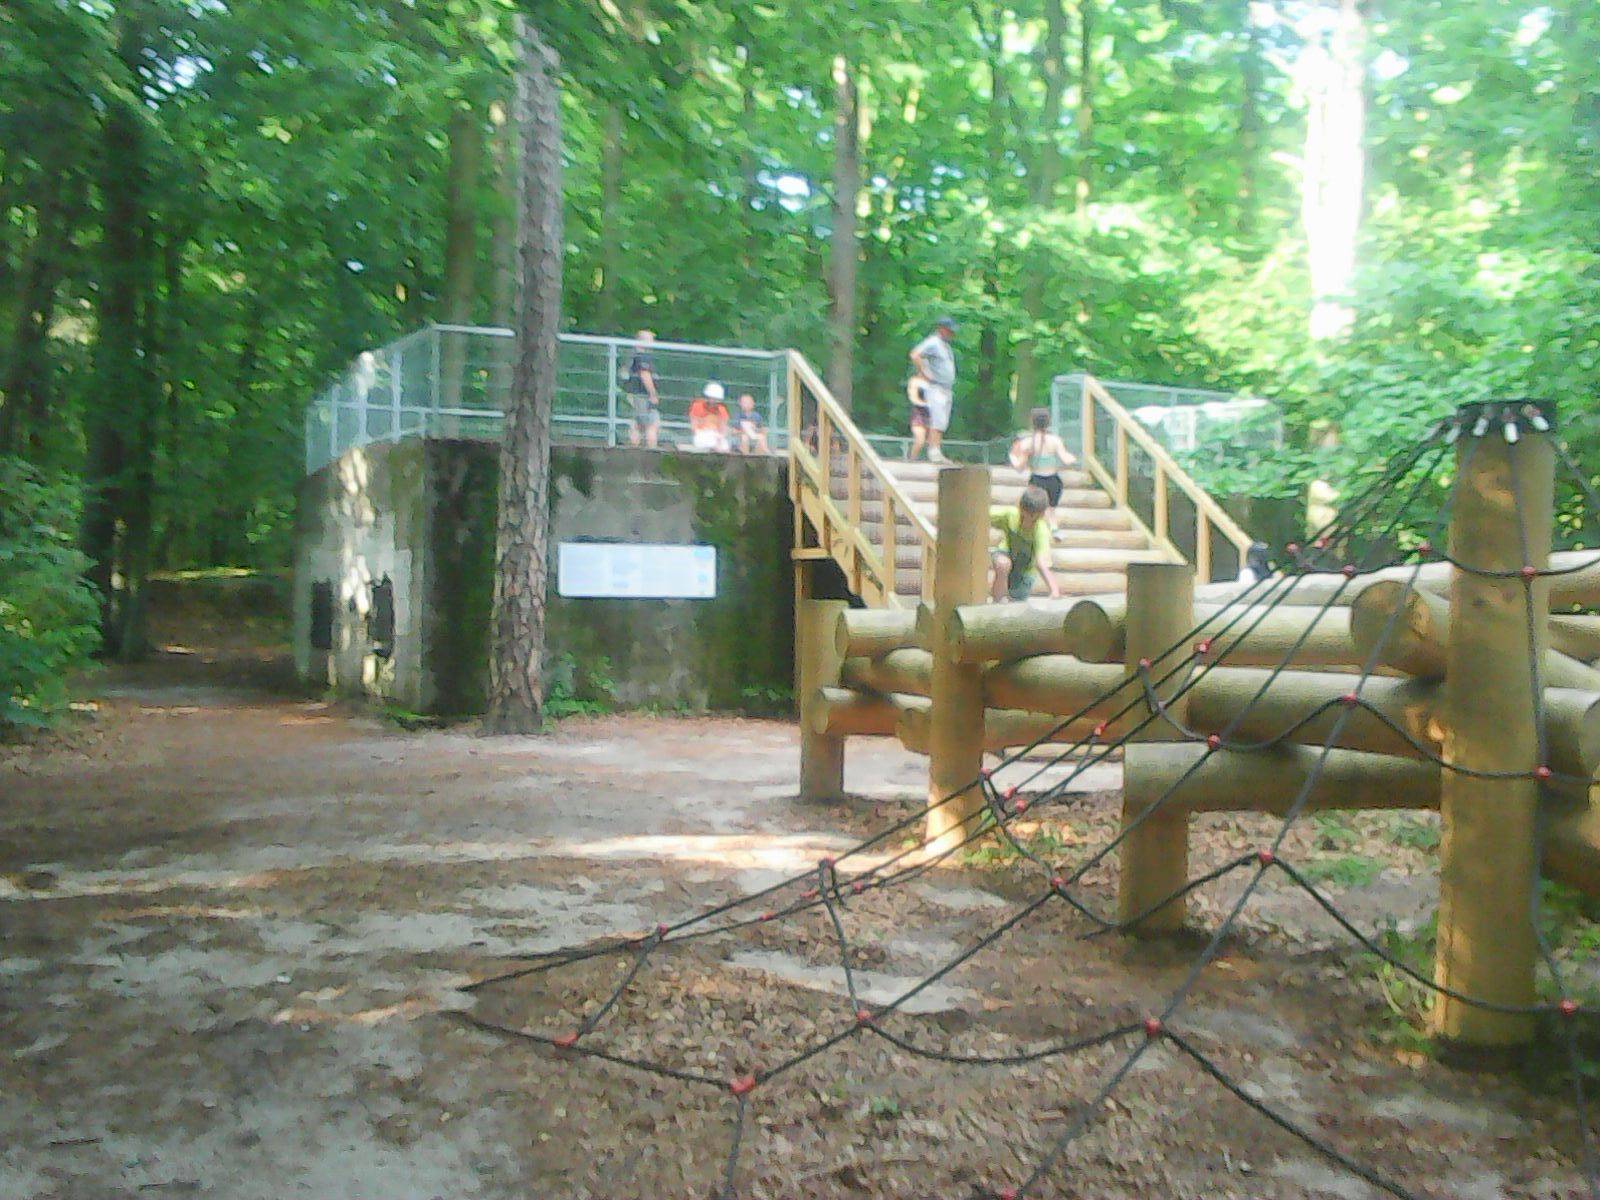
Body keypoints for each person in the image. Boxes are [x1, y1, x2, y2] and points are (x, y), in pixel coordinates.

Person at [989, 486, 1061, 602]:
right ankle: (996, 602)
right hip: (1006, 553)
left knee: (1016, 604)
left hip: (1025, 571)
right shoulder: (1010, 515)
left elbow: (1041, 563)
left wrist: (1054, 589)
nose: (1027, 522)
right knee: (1003, 564)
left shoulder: (1040, 531)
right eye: (1023, 517)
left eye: (1033, 520)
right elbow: (983, 515)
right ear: (1020, 508)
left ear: (1041, 515)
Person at [908, 316, 957, 463]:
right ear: (941, 329)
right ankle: (933, 451)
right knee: (938, 418)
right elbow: (915, 354)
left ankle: (936, 449)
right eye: (949, 330)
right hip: (936, 387)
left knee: (942, 421)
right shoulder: (933, 342)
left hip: (946, 388)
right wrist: (924, 372)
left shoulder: (945, 346)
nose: (952, 334)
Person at [1009, 407, 1076, 513]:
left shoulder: (1027, 442)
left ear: (1032, 422)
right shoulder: (1055, 440)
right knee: (1051, 512)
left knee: (1035, 512)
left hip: (1036, 481)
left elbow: (1019, 468)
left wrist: (1012, 456)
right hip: (1054, 481)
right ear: (1048, 422)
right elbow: (1066, 459)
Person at [625, 330, 661, 449]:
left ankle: (633, 450)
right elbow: (644, 374)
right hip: (643, 396)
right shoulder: (642, 357)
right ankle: (651, 451)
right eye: (651, 340)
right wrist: (652, 394)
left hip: (637, 395)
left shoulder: (635, 356)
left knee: (638, 424)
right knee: (652, 424)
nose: (653, 343)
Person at [689, 381, 728, 451]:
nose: (714, 400)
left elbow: (723, 428)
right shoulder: (697, 406)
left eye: (716, 398)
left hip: (716, 435)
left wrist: (719, 436)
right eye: (712, 397)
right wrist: (703, 433)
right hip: (701, 435)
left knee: (725, 447)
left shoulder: (722, 409)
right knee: (715, 446)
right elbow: (694, 426)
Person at [905, 376, 932, 461]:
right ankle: (912, 459)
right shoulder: (915, 381)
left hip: (933, 414)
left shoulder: (936, 382)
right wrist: (927, 404)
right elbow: (913, 398)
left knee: (931, 441)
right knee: (920, 439)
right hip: (919, 414)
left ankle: (931, 460)